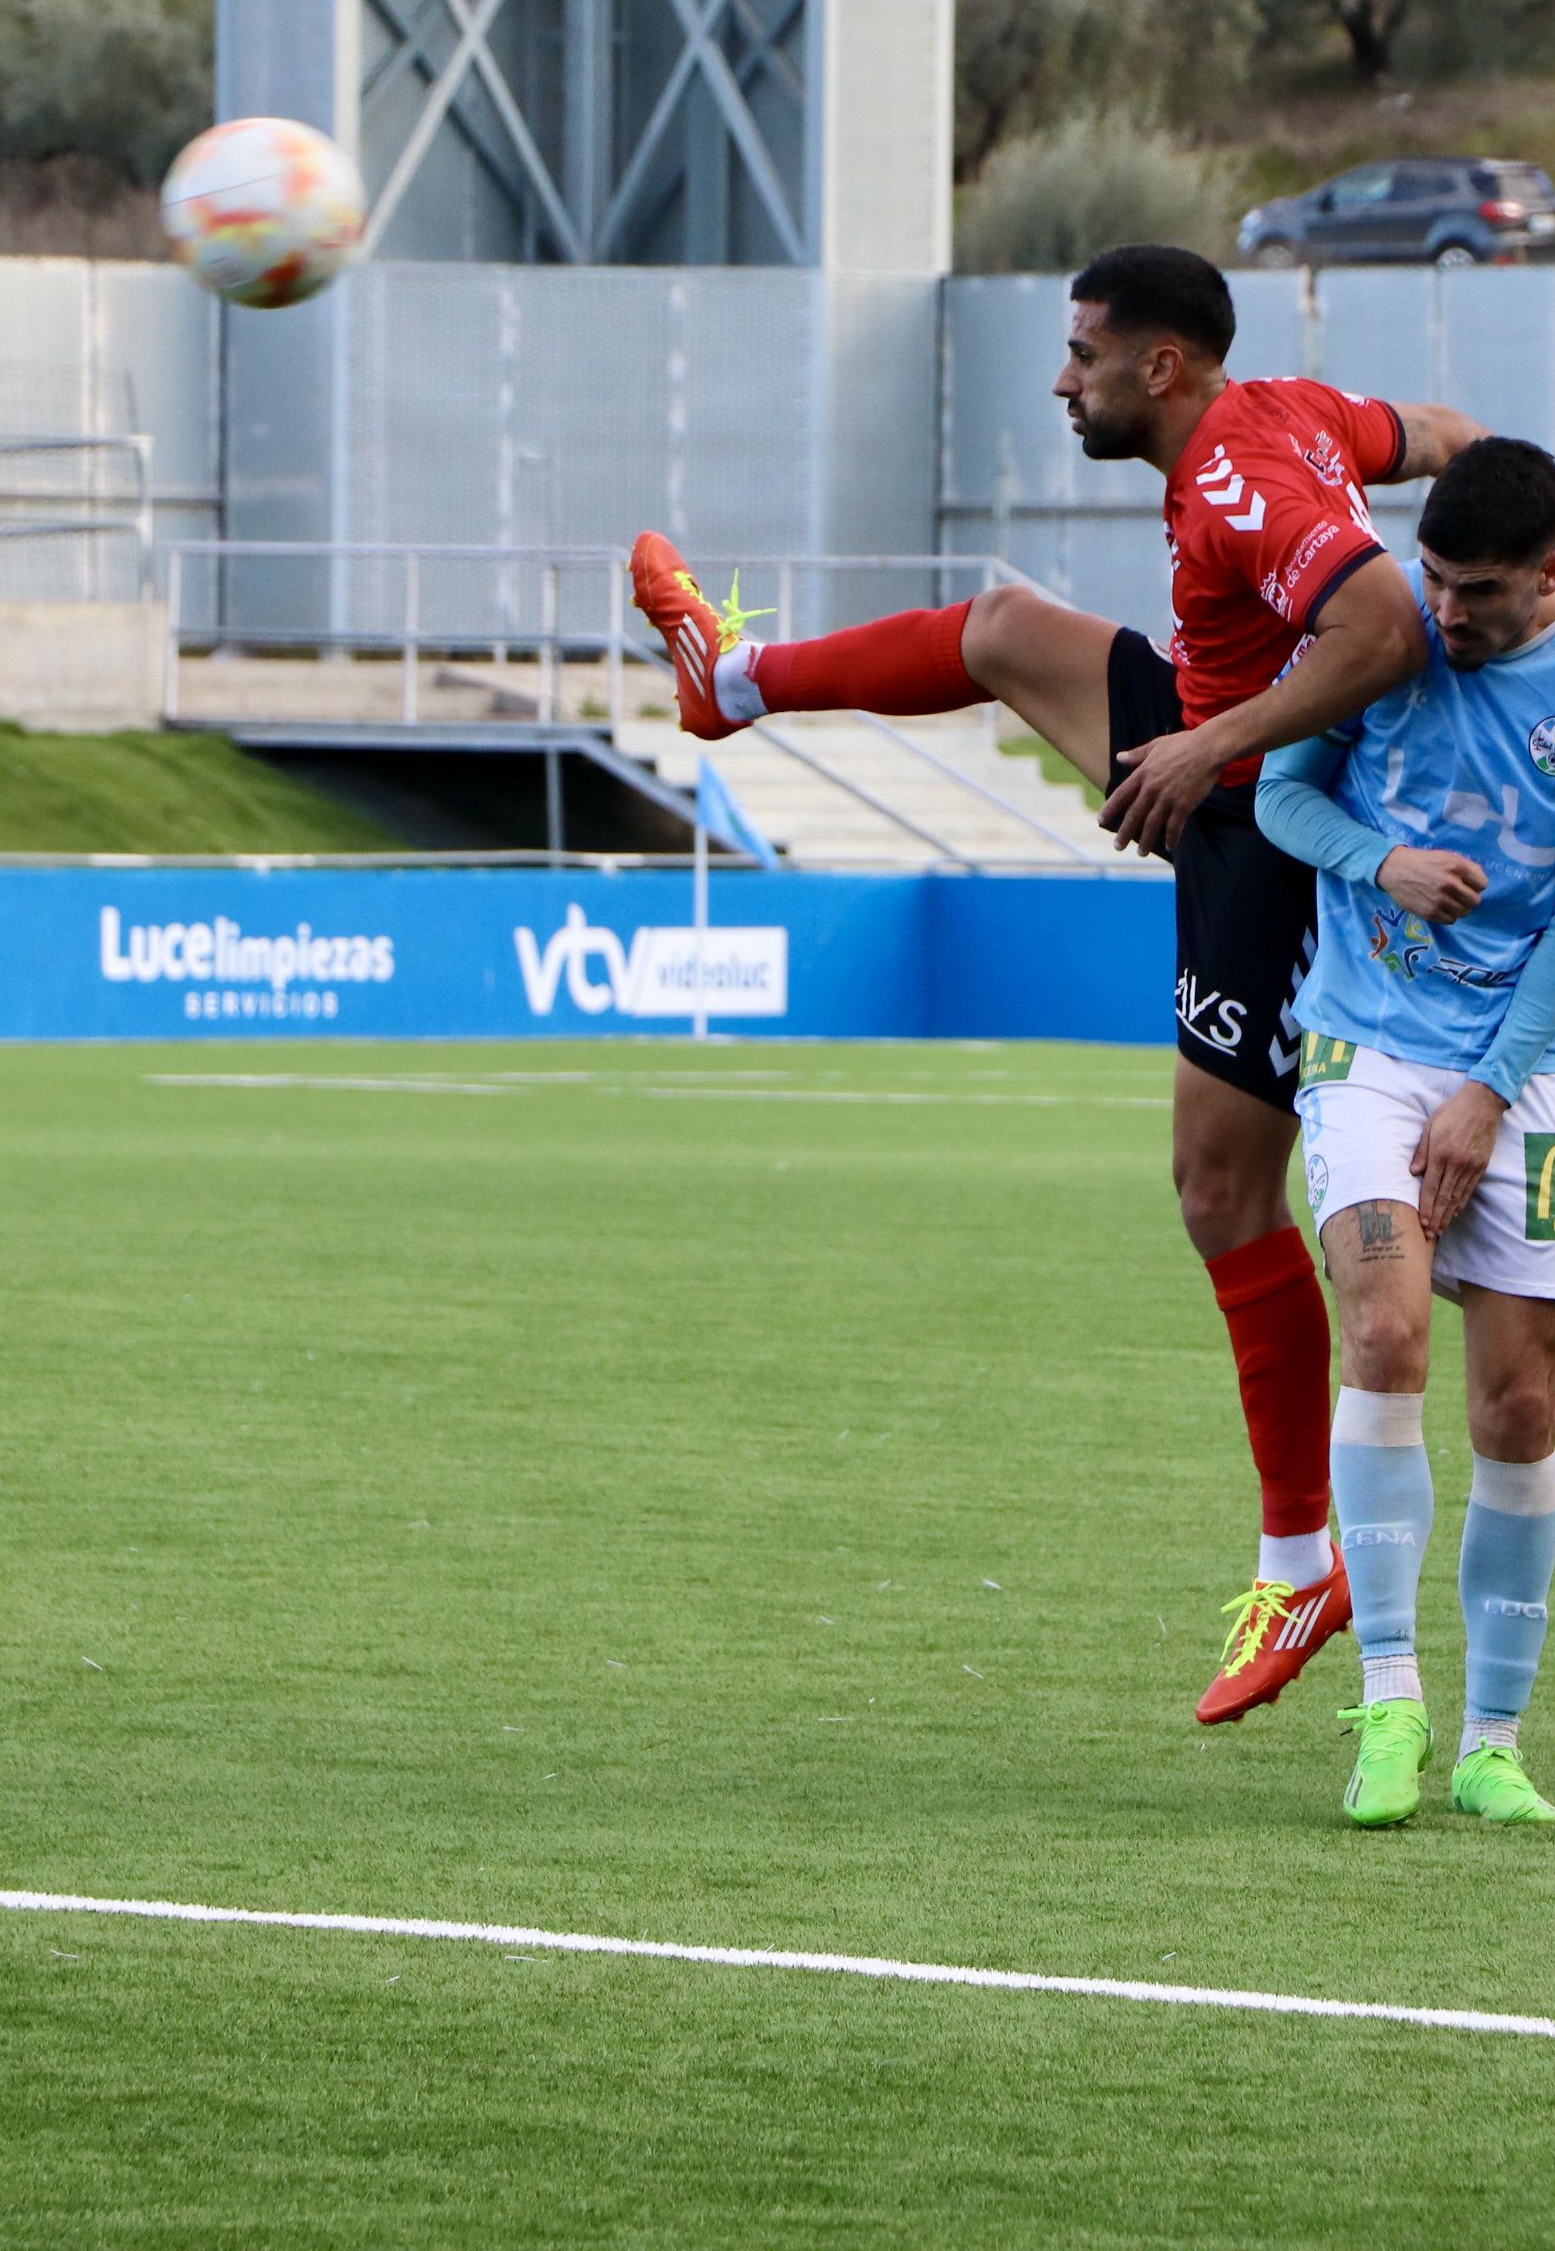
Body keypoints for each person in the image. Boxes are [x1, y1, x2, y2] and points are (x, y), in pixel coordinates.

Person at [627, 245, 1482, 1723]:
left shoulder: (1236, 480)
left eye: (1082, 351)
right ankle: (735, 684)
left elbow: (1386, 630)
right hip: (1223, 734)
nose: (1061, 376)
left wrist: (1214, 748)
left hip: (1272, 829)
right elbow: (1457, 445)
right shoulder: (1291, 413)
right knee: (1008, 631)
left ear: (1162, 367)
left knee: (1220, 1193)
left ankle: (1304, 1561)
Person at [1252, 438, 1555, 1828]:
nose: (1446, 613)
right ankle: (1390, 1705)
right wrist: (1381, 860)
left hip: (1525, 1063)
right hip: (1365, 1040)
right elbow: (1277, 790)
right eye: (1433, 578)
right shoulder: (1383, 636)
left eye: (1479, 592)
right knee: (1382, 1331)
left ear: (1552, 572)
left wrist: (1489, 1094)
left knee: (1520, 1404)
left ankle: (1494, 1741)